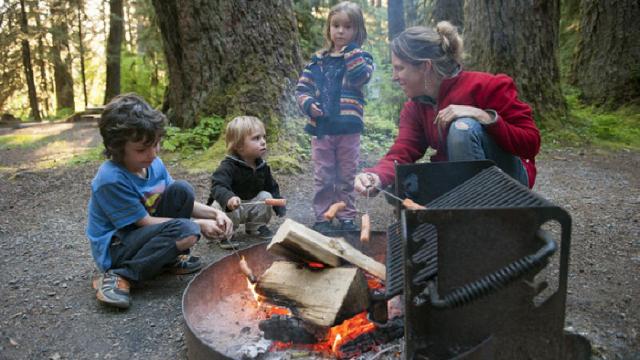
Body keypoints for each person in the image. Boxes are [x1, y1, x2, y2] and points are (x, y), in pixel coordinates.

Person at [354, 22, 540, 197]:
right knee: (402, 184)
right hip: (459, 180)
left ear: (425, 67)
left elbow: (531, 143)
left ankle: (479, 215)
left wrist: (484, 116)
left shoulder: (486, 86)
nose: (394, 77)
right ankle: (462, 208)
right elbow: (403, 150)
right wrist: (376, 176)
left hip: (509, 179)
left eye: (400, 68)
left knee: (462, 128)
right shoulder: (415, 107)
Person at [87, 93, 233, 309]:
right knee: (186, 230)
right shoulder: (111, 179)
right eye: (141, 150)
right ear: (117, 148)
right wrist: (197, 225)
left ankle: (165, 259)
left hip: (145, 235)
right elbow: (144, 222)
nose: (152, 154)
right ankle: (120, 275)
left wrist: (215, 213)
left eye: (156, 144)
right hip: (118, 248)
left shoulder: (153, 164)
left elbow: (181, 202)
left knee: (182, 190)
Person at [296, 1, 374, 234]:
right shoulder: (318, 60)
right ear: (329, 28)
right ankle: (323, 217)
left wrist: (351, 51)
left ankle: (347, 215)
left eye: (347, 27)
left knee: (347, 174)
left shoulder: (362, 57)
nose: (340, 31)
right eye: (335, 25)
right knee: (324, 174)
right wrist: (309, 105)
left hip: (348, 128)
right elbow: (302, 89)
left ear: (357, 30)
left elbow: (361, 77)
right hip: (322, 128)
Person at [207, 116, 286, 243]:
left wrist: (278, 205)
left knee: (266, 195)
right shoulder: (228, 166)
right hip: (232, 207)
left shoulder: (262, 166)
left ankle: (256, 226)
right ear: (239, 146)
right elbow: (217, 186)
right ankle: (225, 233)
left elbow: (271, 186)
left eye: (264, 137)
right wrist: (228, 198)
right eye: (256, 138)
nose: (263, 141)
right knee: (218, 205)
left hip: (251, 205)